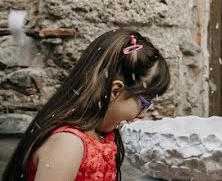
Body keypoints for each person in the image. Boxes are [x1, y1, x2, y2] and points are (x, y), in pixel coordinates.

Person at [2, 29, 170, 181]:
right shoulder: (67, 144)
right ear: (115, 91)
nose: (142, 114)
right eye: (144, 103)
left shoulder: (101, 135)